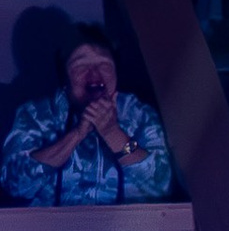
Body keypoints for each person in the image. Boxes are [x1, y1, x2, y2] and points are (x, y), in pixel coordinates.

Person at [1, 38, 174, 206]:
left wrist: (113, 134)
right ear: (65, 78)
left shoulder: (139, 114)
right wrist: (76, 134)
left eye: (104, 65)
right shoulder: (35, 115)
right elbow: (14, 184)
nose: (94, 74)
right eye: (81, 66)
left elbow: (160, 183)